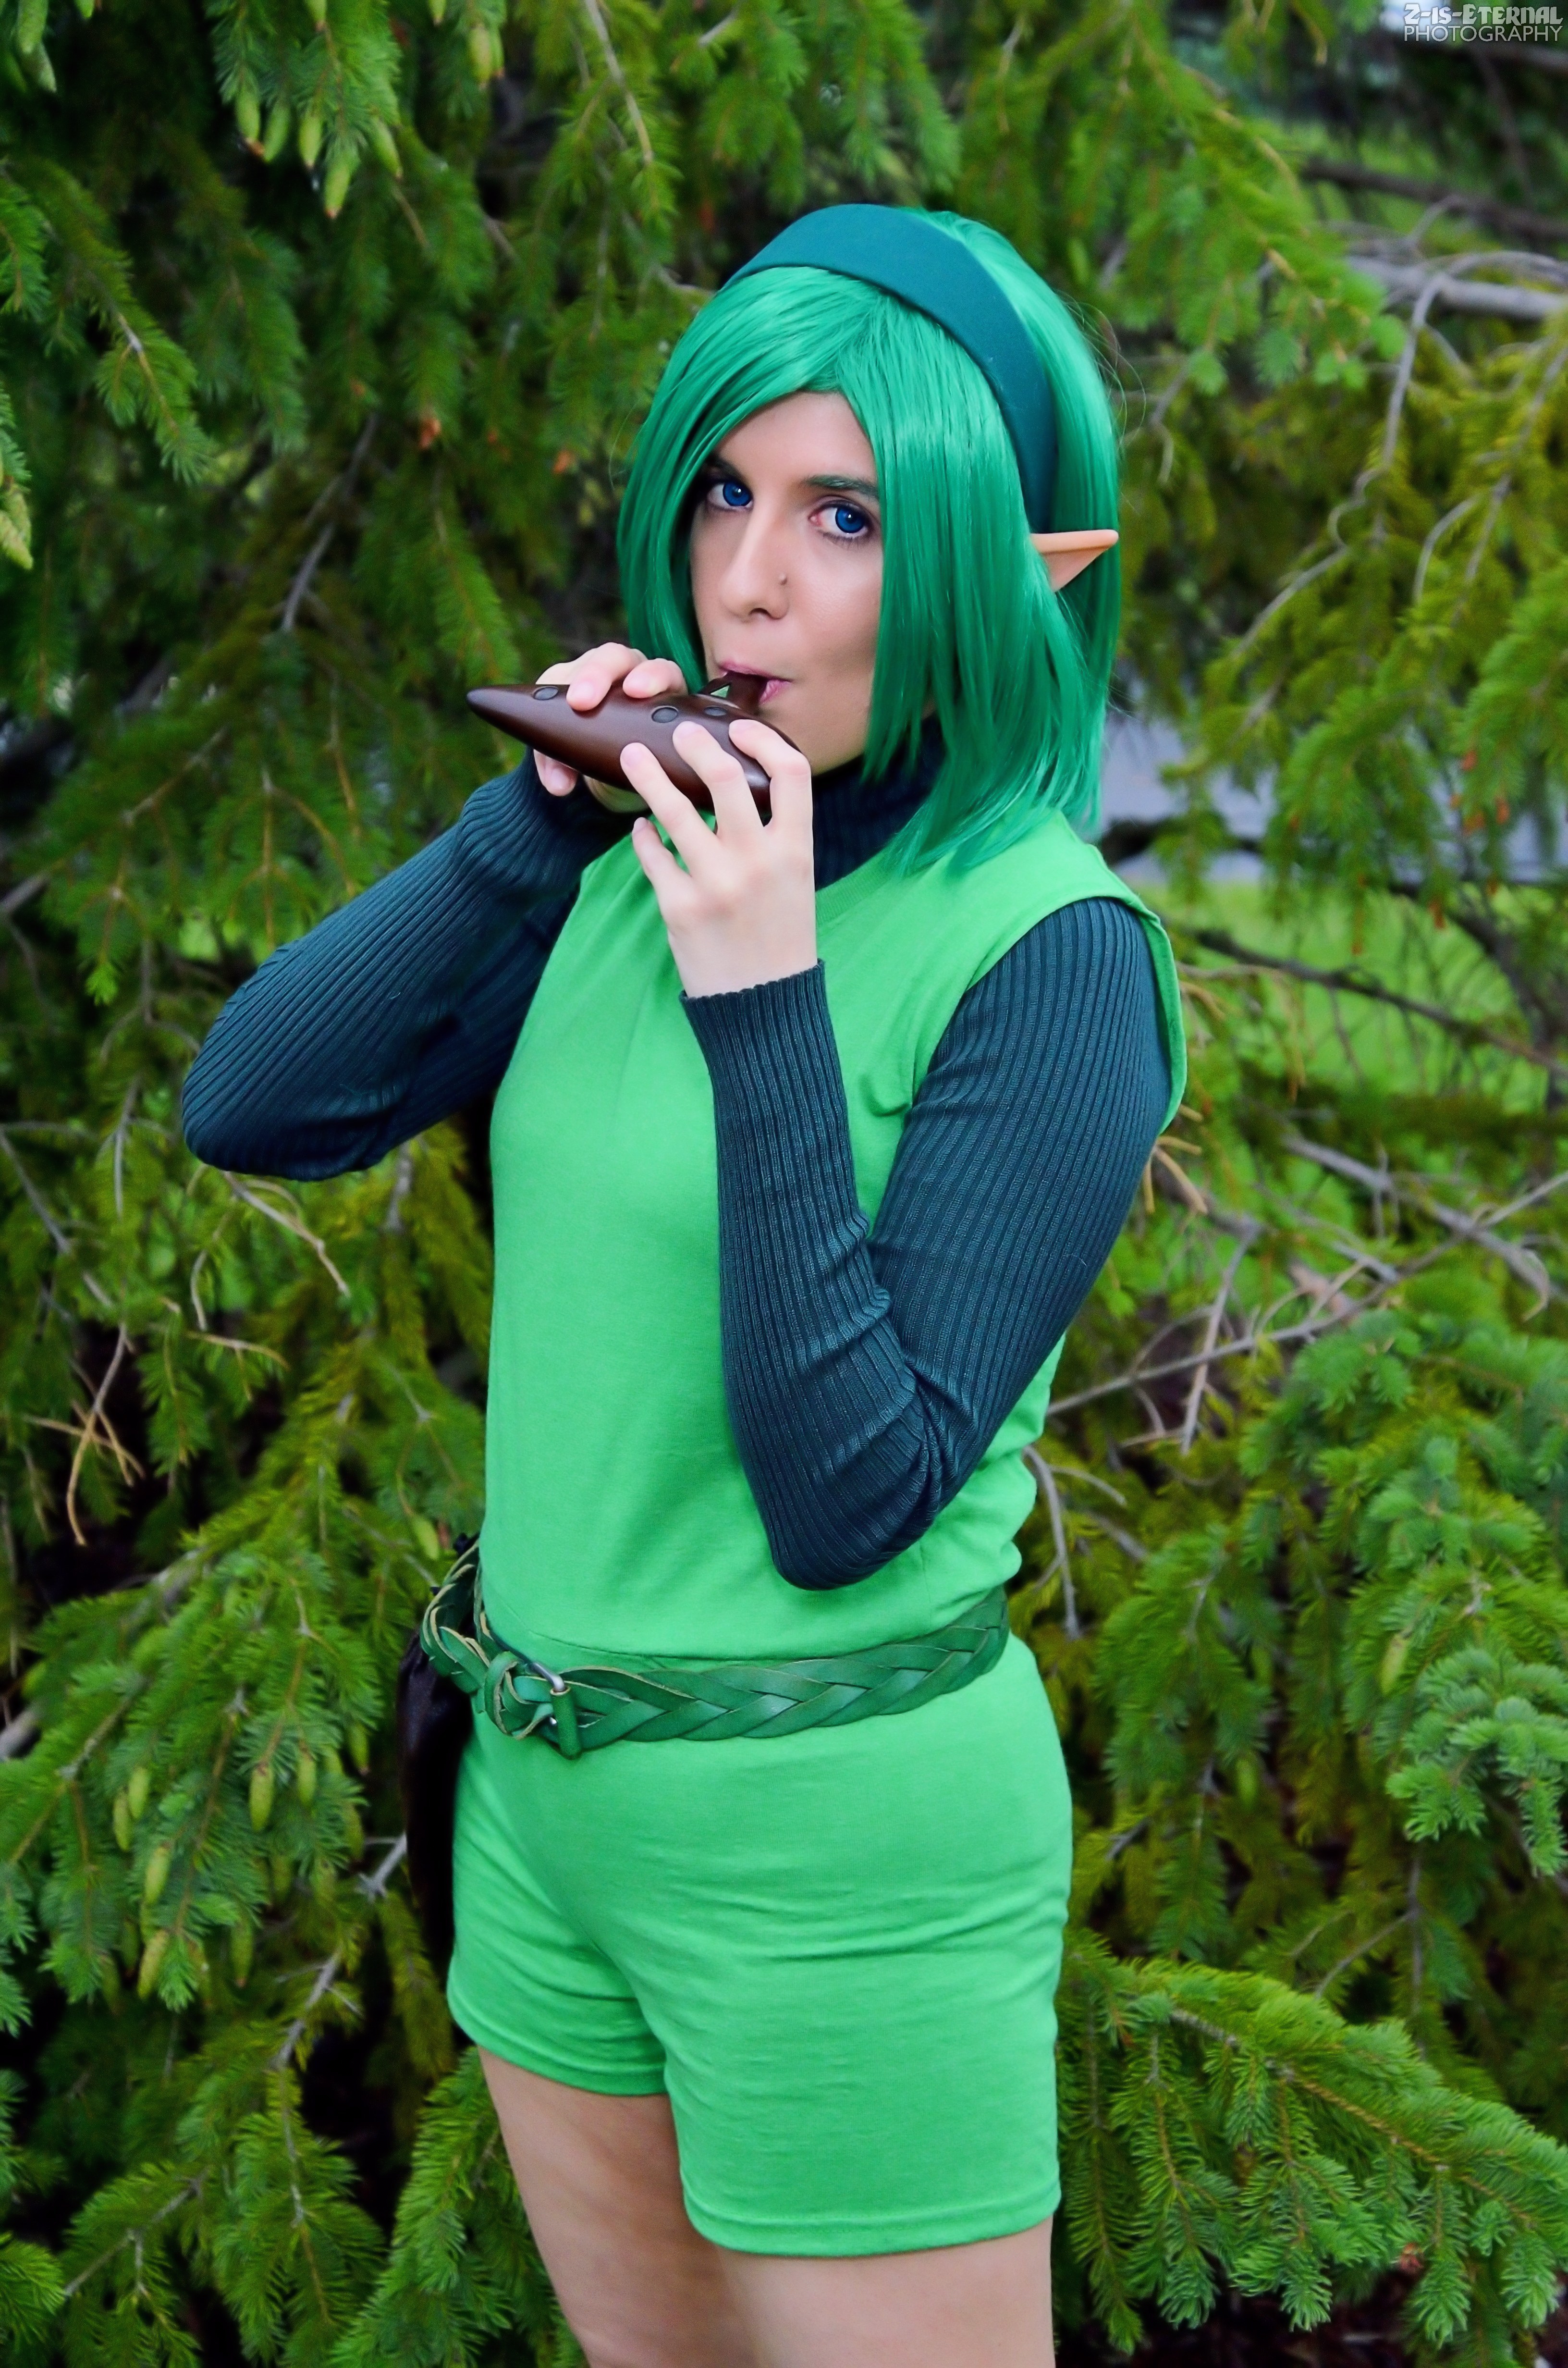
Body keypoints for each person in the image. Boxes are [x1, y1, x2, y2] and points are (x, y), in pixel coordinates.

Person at [183, 204, 1185, 2368]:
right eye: (725, 493)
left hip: (832, 1852)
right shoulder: (648, 847)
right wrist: (535, 829)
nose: (750, 580)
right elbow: (252, 1103)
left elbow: (850, 1496)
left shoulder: (1050, 953)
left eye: (849, 516)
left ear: (1032, 567)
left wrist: (764, 1001)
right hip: (547, 1802)